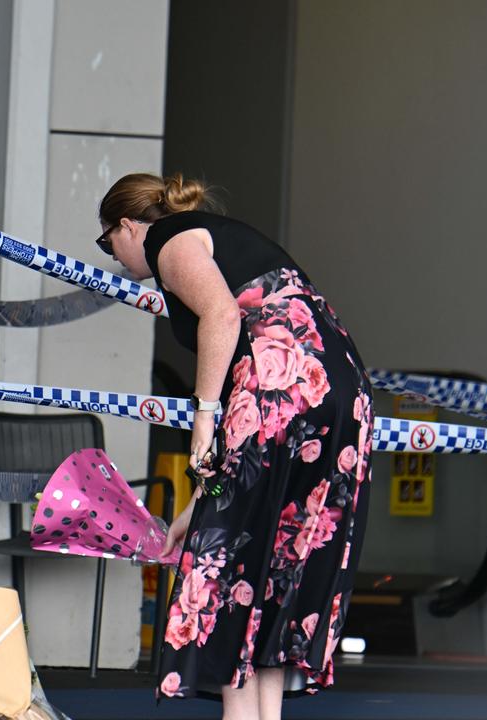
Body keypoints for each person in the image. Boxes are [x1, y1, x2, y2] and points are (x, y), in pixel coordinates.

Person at [96, 173, 374, 719]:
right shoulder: (224, 236)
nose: (116, 257)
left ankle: (237, 715)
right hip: (342, 396)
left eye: (109, 243)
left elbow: (221, 317)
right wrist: (195, 508)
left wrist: (202, 416)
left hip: (282, 390)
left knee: (227, 566)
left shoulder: (169, 239)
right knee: (276, 564)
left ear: (128, 226)